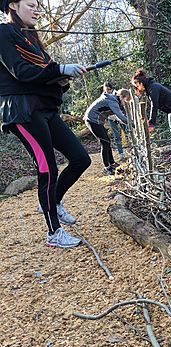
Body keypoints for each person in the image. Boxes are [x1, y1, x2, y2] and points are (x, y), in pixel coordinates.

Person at [0, 0, 90, 248]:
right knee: (47, 169)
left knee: (81, 158)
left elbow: (46, 72)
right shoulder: (4, 32)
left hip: (46, 109)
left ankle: (52, 202)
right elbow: (21, 71)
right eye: (31, 4)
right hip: (22, 112)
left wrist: (63, 78)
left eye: (39, 5)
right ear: (13, 6)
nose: (37, 10)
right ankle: (54, 232)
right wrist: (60, 68)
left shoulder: (32, 38)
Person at [130, 69, 171, 162]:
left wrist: (151, 123)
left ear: (141, 83)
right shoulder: (149, 89)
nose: (137, 89)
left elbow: (154, 106)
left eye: (137, 86)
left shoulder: (153, 88)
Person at [84, 87, 130, 175]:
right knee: (104, 142)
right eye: (126, 101)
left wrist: (127, 122)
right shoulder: (113, 102)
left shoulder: (112, 99)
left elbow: (118, 118)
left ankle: (112, 163)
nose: (125, 104)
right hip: (92, 120)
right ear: (122, 97)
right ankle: (107, 167)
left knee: (107, 141)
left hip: (95, 120)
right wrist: (132, 123)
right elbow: (121, 117)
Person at [102, 82, 126, 161]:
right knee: (116, 136)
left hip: (120, 116)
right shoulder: (103, 96)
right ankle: (121, 153)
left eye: (109, 89)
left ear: (111, 89)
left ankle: (132, 149)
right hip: (111, 118)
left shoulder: (117, 94)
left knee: (127, 132)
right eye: (106, 90)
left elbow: (123, 106)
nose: (107, 91)